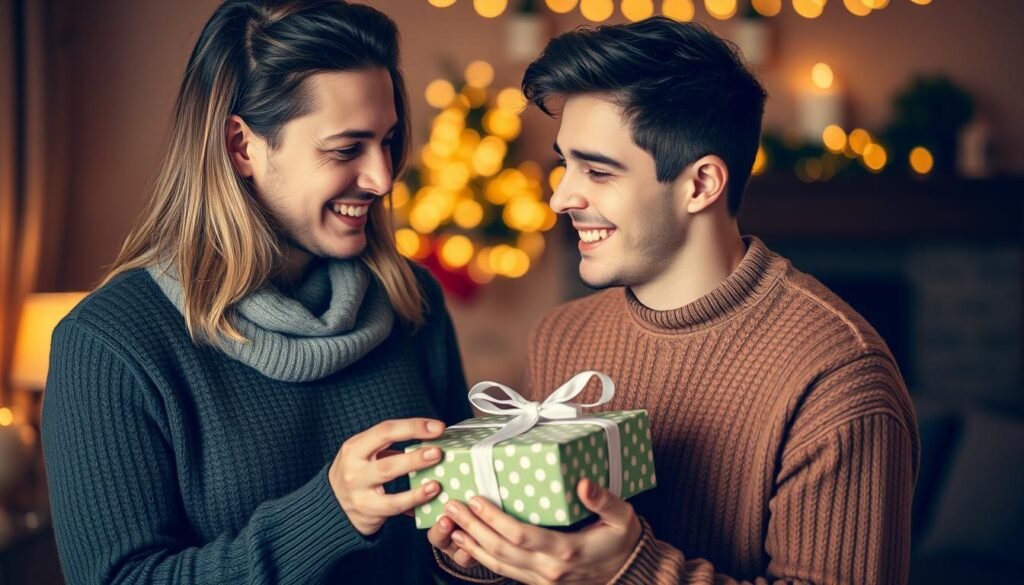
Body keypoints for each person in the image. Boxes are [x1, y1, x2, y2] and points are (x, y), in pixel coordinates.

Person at [430, 17, 919, 585]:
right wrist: (487, 555)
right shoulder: (561, 335)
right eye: (566, 164)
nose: (561, 196)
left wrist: (631, 571)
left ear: (701, 184)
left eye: (597, 170)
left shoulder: (839, 376)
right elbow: (552, 554)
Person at [41, 1, 469, 583]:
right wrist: (329, 513)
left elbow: (452, 548)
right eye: (346, 149)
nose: (382, 178)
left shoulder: (410, 299)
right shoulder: (111, 345)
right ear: (242, 146)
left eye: (388, 141)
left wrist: (471, 559)